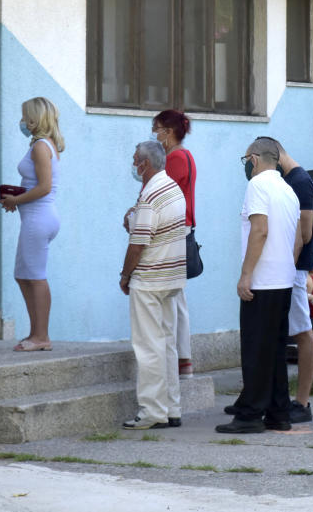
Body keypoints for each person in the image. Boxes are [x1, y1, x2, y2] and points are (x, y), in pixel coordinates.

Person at [216, 138, 301, 434]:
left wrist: (246, 274)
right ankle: (279, 412)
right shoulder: (287, 189)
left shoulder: (258, 185)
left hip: (262, 282)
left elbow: (260, 229)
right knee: (275, 350)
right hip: (283, 280)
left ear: (253, 159)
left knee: (255, 350)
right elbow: (300, 237)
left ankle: (250, 415)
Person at [118, 141, 187, 430]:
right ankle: (171, 408)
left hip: (149, 278)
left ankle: (151, 412)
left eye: (136, 161)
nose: (133, 166)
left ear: (144, 164)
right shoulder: (171, 188)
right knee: (167, 344)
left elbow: (139, 242)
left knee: (148, 347)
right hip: (171, 277)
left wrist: (125, 275)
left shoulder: (150, 194)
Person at [258, 138, 313, 424]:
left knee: (302, 331)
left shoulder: (300, 181)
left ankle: (302, 402)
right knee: (280, 333)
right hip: (286, 270)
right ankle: (265, 396)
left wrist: (287, 266)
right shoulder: (291, 180)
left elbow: (304, 233)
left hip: (293, 270)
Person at [0, 96, 64, 352]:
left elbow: (44, 187)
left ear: (35, 118)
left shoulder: (40, 146)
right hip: (37, 216)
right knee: (24, 275)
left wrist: (16, 199)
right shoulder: (44, 144)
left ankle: (41, 336)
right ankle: (37, 332)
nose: (22, 120)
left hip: (38, 217)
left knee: (34, 276)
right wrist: (18, 199)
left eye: (26, 115)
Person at [151, 109, 197, 378]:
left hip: (173, 230)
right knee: (176, 296)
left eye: (157, 129)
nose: (154, 134)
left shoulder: (176, 158)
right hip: (179, 229)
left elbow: (163, 195)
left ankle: (182, 358)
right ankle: (182, 358)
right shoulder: (184, 155)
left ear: (168, 132)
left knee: (175, 297)